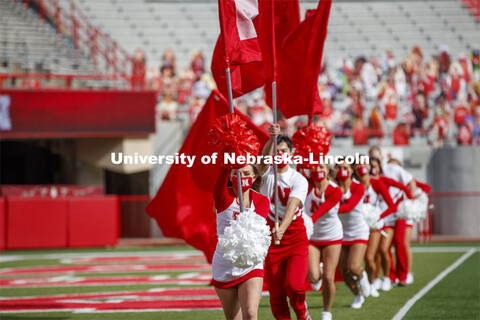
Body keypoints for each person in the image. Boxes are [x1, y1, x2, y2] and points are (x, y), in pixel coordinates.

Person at [258, 124, 311, 320]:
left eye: (284, 151)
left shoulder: (298, 179)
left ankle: (302, 312)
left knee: (295, 285)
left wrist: (283, 227)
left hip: (295, 237)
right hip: (271, 241)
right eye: (277, 151)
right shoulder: (265, 175)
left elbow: (293, 204)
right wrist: (271, 139)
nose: (280, 154)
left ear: (291, 153)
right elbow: (262, 163)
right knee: (276, 293)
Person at [212, 164, 270, 320]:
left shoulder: (262, 201)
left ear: (254, 177)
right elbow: (221, 173)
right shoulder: (223, 196)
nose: (241, 177)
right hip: (224, 263)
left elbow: (255, 232)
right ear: (230, 177)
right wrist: (230, 151)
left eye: (246, 173)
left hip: (250, 262)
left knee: (250, 313)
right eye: (236, 173)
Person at [368, 147, 416, 287]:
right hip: (382, 217)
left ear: (381, 158)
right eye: (371, 158)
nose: (374, 162)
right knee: (382, 249)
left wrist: (409, 204)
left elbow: (410, 182)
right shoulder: (369, 177)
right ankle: (389, 276)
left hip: (397, 213)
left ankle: (403, 275)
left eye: (377, 158)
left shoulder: (392, 170)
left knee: (400, 243)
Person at [304, 163, 343, 320]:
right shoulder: (306, 186)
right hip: (313, 237)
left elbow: (321, 210)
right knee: (313, 277)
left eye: (321, 167)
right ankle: (319, 269)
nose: (317, 170)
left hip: (332, 236)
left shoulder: (335, 190)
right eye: (314, 168)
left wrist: (307, 222)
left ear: (327, 170)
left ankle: (326, 311)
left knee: (328, 278)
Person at [353, 161, 396, 297]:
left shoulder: (376, 183)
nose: (362, 167)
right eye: (358, 164)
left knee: (369, 257)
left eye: (364, 164)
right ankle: (366, 280)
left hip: (373, 225)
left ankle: (374, 282)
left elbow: (392, 206)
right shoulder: (352, 183)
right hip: (356, 225)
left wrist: (378, 216)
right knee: (354, 261)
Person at [335, 159, 370, 309]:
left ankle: (362, 275)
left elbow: (349, 206)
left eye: (345, 167)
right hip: (341, 233)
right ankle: (357, 295)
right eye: (339, 167)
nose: (342, 170)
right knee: (344, 271)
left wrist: (328, 209)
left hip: (358, 231)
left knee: (354, 266)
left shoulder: (358, 187)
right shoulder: (333, 186)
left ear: (351, 170)